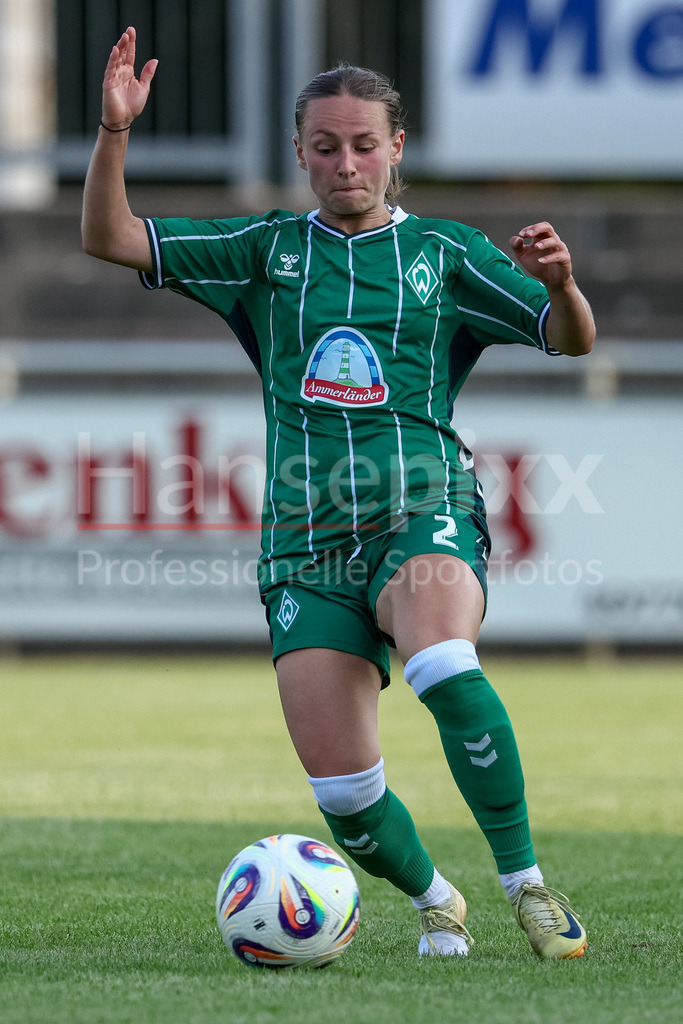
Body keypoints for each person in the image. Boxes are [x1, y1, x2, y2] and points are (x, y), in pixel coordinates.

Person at [83, 27, 595, 960]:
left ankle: (525, 884)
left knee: (443, 660)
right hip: (302, 544)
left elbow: (570, 338)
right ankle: (436, 898)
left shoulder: (443, 253)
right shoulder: (266, 248)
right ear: (299, 153)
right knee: (345, 800)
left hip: (420, 504)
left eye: (364, 144)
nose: (345, 163)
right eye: (325, 147)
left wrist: (560, 284)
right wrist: (115, 133)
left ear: (396, 148)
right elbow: (110, 238)